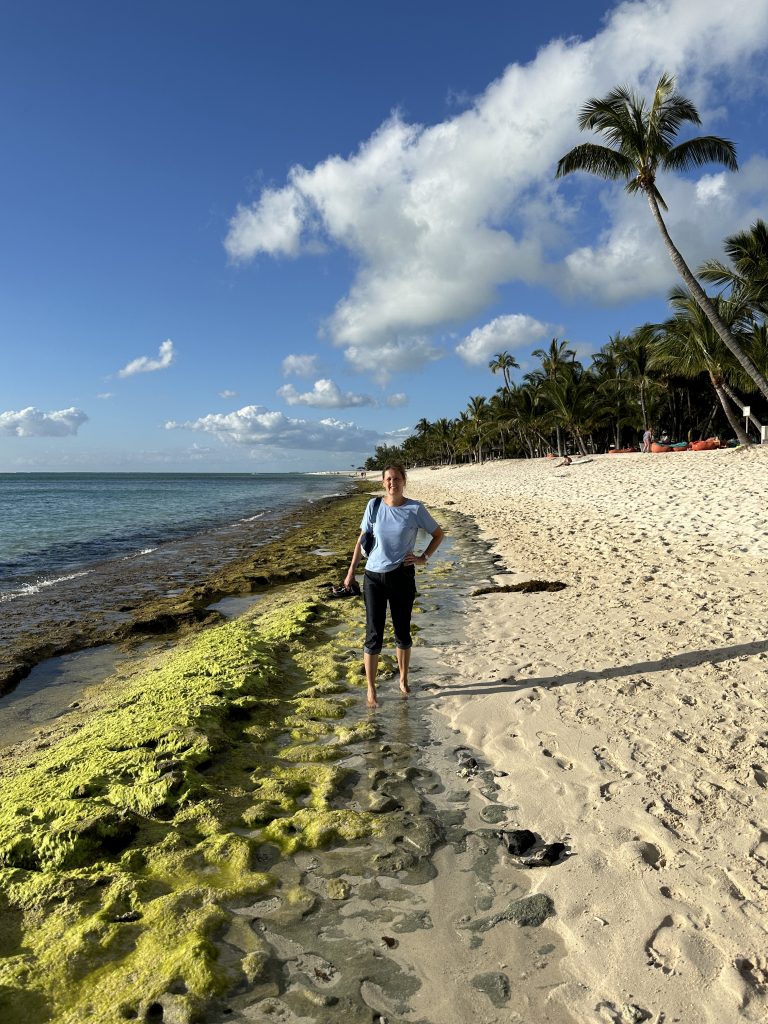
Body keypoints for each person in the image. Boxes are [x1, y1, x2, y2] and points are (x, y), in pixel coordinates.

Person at [344, 462, 444, 707]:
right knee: (373, 634)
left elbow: (438, 534)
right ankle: (371, 689)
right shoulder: (373, 505)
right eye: (388, 479)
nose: (392, 483)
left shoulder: (414, 508)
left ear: (404, 481)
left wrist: (423, 558)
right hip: (373, 577)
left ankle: (403, 679)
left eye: (397, 478)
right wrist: (351, 572)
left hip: (402, 576)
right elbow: (361, 540)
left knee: (402, 631)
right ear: (383, 482)